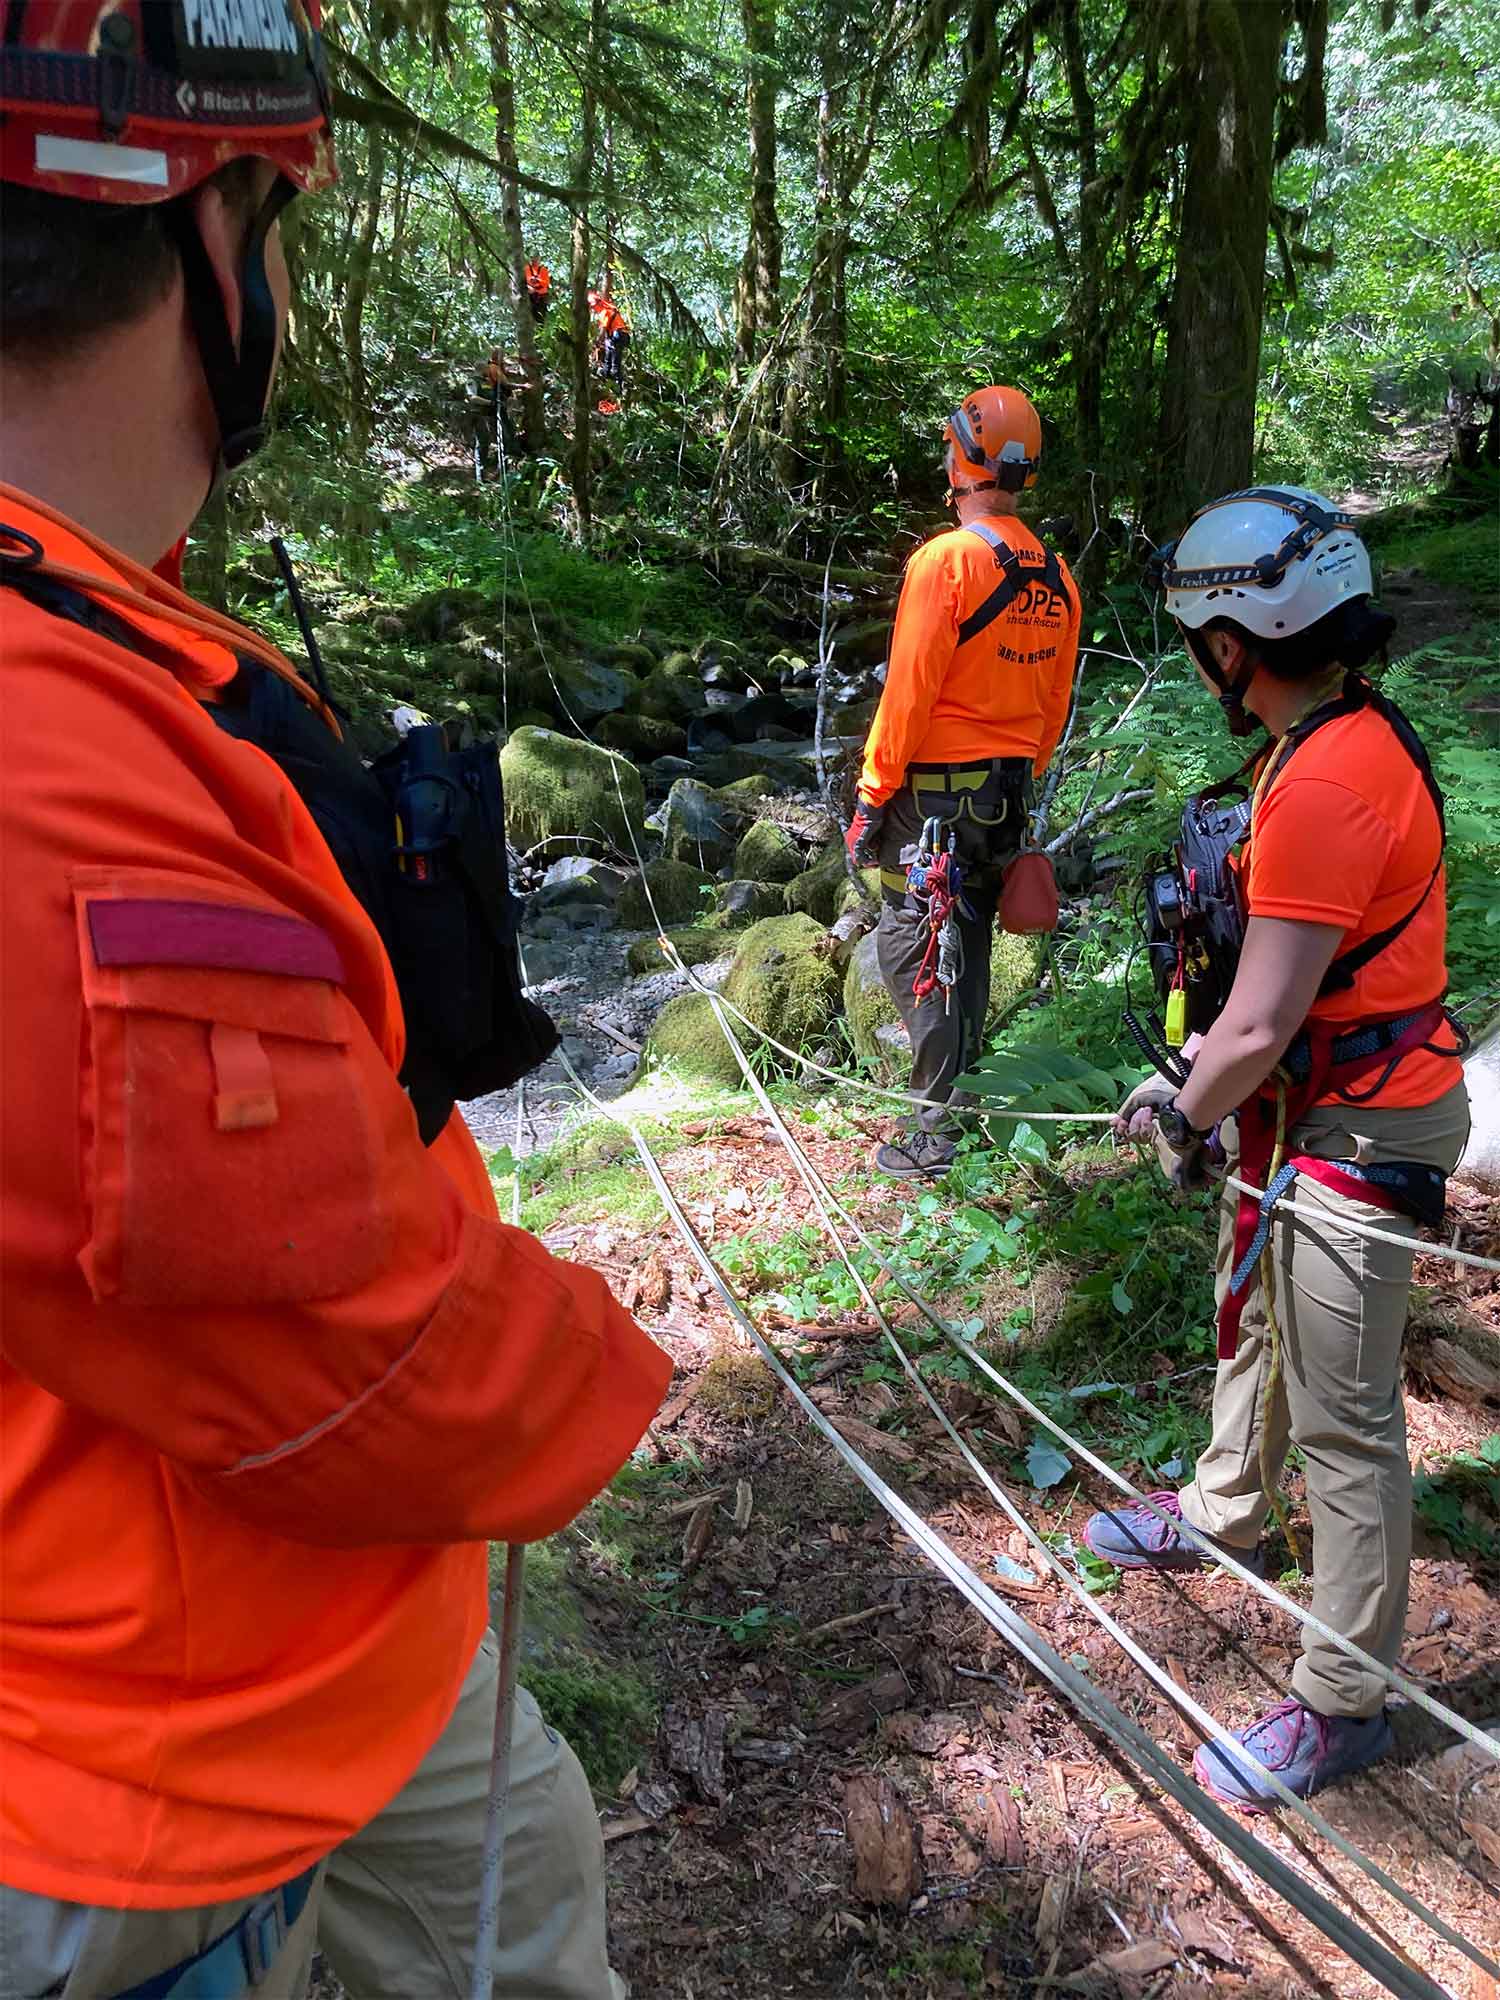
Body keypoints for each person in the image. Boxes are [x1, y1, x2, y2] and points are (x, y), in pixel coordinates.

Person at [0, 8, 670, 1998]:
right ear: (206, 238)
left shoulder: (115, 617)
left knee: (529, 1880)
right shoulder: (51, 766)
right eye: (280, 233)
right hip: (143, 1762)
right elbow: (346, 1358)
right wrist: (596, 1370)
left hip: (327, 1641)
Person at [1083, 488, 1470, 1808]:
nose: (1203, 659)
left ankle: (1342, 1701)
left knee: (1352, 1423)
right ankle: (1222, 1511)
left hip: (1364, 1118)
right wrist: (1206, 1092)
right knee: (1251, 1316)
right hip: (1314, 1102)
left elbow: (1256, 1020)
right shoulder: (1318, 740)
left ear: (1237, 643)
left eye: (1204, 636)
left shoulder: (1328, 783)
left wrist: (1178, 1097)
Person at [845, 386, 1081, 1179]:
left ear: (963, 460)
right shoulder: (1058, 578)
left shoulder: (946, 562)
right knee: (966, 938)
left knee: (911, 938)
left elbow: (907, 692)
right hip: (1004, 798)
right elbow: (1055, 707)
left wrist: (873, 792)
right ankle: (964, 1107)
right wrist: (1019, 771)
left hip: (932, 798)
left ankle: (937, 1132)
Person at [588, 286, 631, 387]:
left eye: (593, 307)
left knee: (614, 361)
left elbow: (603, 329)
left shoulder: (605, 311)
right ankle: (608, 374)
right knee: (611, 356)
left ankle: (617, 383)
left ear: (597, 303)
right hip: (620, 335)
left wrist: (597, 341)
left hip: (618, 334)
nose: (593, 309)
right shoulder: (608, 309)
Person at [524, 255, 551, 321]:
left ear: (539, 260)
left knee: (541, 316)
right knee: (530, 313)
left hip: (541, 296)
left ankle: (541, 326)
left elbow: (546, 283)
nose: (534, 260)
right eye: (532, 258)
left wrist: (538, 280)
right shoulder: (526, 269)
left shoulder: (543, 270)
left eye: (536, 259)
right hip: (530, 295)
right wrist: (529, 286)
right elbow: (523, 281)